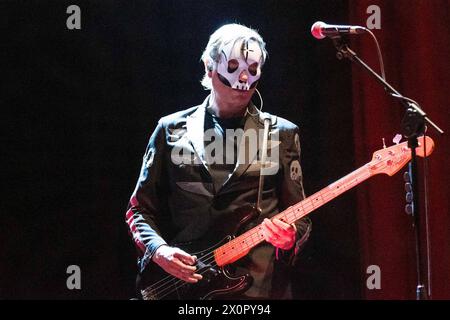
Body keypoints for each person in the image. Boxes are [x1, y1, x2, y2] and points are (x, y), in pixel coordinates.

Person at [125, 23, 311, 300]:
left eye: (252, 68)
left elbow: (300, 215)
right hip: (182, 288)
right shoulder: (171, 129)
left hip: (259, 290)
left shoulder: (281, 134)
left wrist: (290, 237)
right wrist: (159, 251)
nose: (243, 79)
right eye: (233, 66)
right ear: (209, 67)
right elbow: (139, 210)